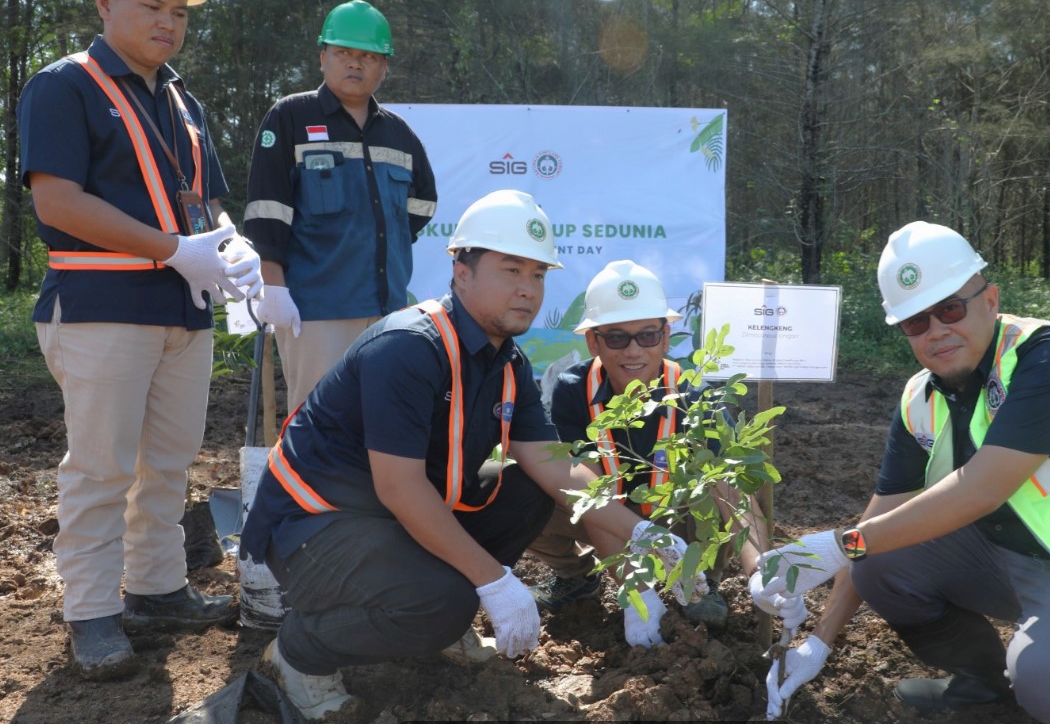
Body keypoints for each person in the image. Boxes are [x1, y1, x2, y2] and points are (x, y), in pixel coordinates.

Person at [239, 191, 704, 723]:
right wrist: (493, 581)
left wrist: (639, 532)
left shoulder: (507, 359)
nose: (527, 290)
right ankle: (299, 655)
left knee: (528, 488)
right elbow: (400, 487)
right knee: (446, 604)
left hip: (381, 520)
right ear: (461, 270)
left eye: (537, 275)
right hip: (313, 528)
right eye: (511, 270)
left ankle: (432, 610)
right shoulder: (408, 348)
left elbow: (554, 463)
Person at [749, 221, 1050, 723]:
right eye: (915, 322)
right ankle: (985, 687)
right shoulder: (919, 396)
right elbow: (881, 515)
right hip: (1005, 557)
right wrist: (819, 641)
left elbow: (981, 489)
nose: (936, 330)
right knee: (879, 564)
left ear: (989, 299)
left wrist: (840, 547)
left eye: (950, 308)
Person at [17, 0, 263, 680]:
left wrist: (232, 243)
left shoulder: (183, 100)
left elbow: (204, 200)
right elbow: (57, 200)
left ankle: (156, 588)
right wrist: (170, 249)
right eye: (151, 5)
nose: (168, 22)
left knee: (168, 462)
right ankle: (92, 611)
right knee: (99, 467)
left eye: (179, 11)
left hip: (180, 310)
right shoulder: (63, 86)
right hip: (101, 304)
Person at [528, 259, 770, 637]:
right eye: (617, 337)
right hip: (612, 517)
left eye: (647, 335)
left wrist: (760, 567)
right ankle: (576, 578)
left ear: (666, 336)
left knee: (720, 478)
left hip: (678, 522)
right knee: (517, 485)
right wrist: (635, 593)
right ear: (592, 340)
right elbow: (590, 493)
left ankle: (699, 578)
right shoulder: (574, 391)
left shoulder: (695, 394)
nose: (633, 350)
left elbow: (731, 489)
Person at [244, 0, 437, 415]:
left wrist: (382, 241)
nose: (356, 64)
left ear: (384, 66)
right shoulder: (291, 117)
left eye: (368, 56)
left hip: (387, 311)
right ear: (322, 58)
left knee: (382, 423)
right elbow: (267, 209)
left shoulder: (399, 134)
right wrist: (273, 286)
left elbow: (421, 205)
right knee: (318, 425)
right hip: (316, 312)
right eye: (344, 53)